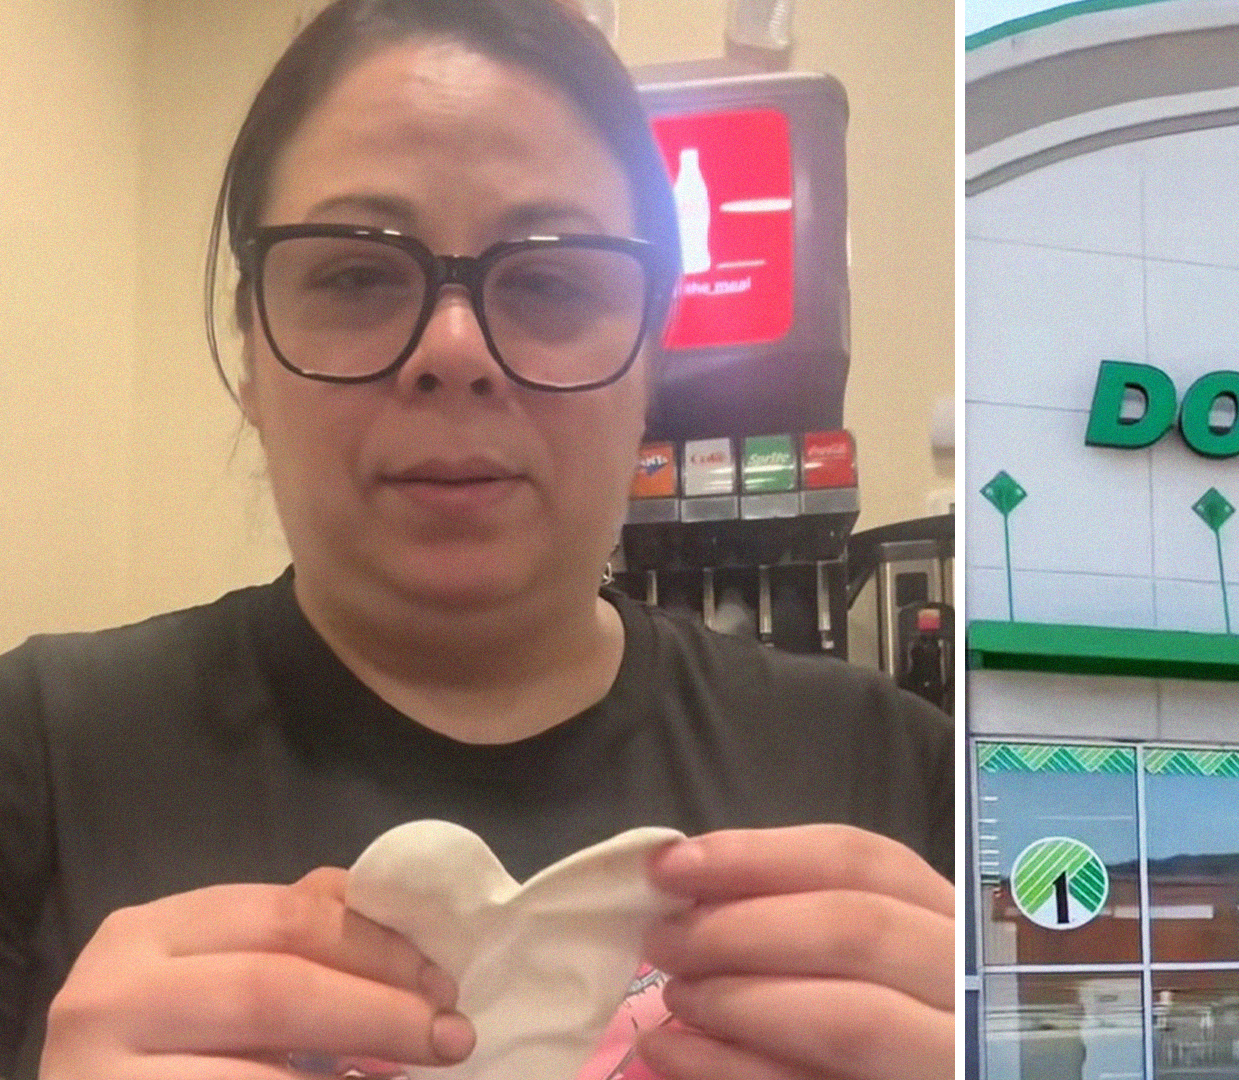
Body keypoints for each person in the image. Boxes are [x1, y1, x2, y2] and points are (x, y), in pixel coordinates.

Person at [0, 2, 953, 1078]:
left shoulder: (888, 773)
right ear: (252, 343)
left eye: (548, 279)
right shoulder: (36, 755)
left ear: (651, 346)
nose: (454, 351)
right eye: (357, 274)